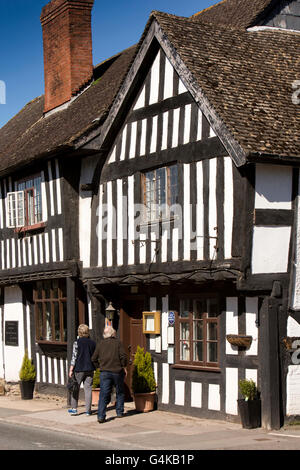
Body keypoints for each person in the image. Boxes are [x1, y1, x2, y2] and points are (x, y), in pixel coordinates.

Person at [91, 325, 127, 423]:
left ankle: (101, 416)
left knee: (103, 394)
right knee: (120, 392)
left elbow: (93, 359)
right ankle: (119, 412)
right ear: (113, 334)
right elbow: (123, 356)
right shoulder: (118, 343)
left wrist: (99, 367)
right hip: (117, 371)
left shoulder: (100, 344)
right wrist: (124, 366)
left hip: (104, 372)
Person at [68, 324, 96, 416]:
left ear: (79, 332)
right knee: (88, 389)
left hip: (79, 368)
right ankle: (88, 411)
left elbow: (74, 357)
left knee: (75, 388)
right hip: (90, 368)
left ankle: (74, 408)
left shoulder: (77, 343)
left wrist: (71, 369)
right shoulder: (92, 343)